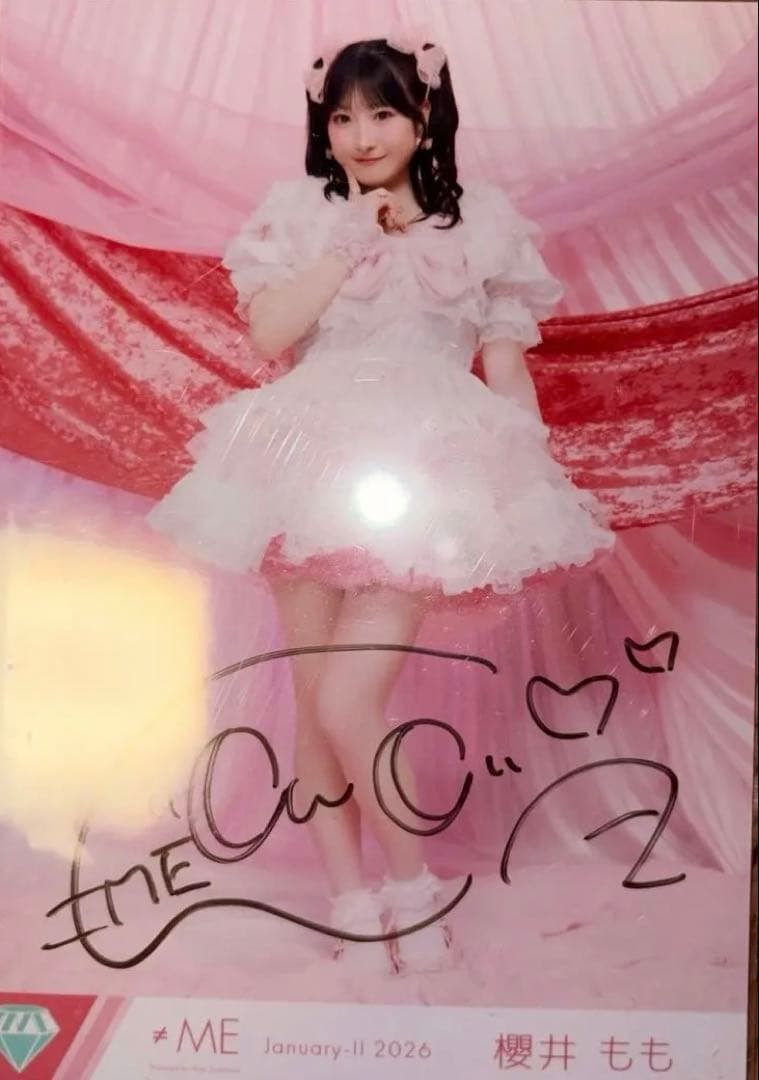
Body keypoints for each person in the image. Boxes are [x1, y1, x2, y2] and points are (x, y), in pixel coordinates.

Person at [146, 30, 614, 975]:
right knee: (316, 701)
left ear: (425, 114)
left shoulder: (481, 225)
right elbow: (268, 335)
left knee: (351, 694)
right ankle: (352, 905)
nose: (361, 136)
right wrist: (346, 243)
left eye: (383, 112)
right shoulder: (300, 213)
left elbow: (503, 364)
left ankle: (411, 888)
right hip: (303, 465)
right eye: (342, 117)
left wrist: (525, 474)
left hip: (419, 469)